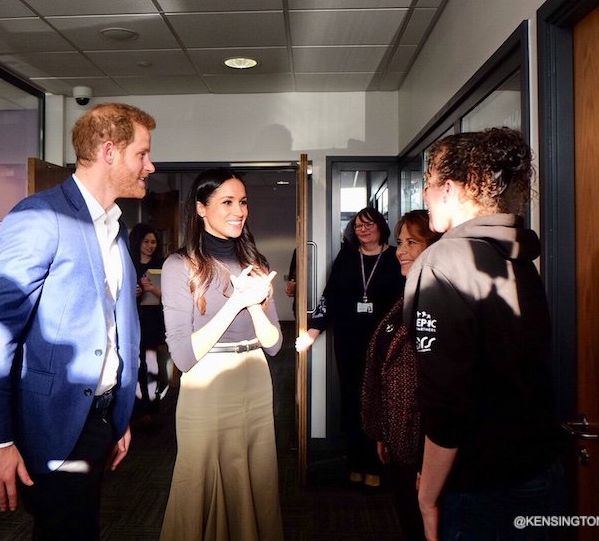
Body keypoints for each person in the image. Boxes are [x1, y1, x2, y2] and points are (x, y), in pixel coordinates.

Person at [0, 102, 156, 540]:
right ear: (110, 152)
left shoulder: (115, 227)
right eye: (141, 154)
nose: (150, 165)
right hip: (53, 424)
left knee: (77, 528)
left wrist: (118, 416)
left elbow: (111, 330)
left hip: (99, 418)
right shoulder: (40, 216)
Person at [405, 127, 563, 540]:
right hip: (539, 467)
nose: (423, 196)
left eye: (428, 184)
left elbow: (446, 401)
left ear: (452, 189)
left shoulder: (442, 261)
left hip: (480, 481)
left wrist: (428, 496)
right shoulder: (517, 256)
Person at [159, 168, 283, 541]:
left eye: (242, 202)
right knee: (200, 479)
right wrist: (237, 303)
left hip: (255, 380)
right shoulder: (179, 266)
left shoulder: (255, 263)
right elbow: (183, 356)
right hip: (206, 385)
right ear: (201, 208)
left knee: (256, 476)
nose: (238, 210)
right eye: (227, 202)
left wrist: (257, 305)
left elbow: (274, 344)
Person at [296, 207, 405, 489]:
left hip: (385, 343)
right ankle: (355, 461)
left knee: (379, 402)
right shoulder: (347, 257)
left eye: (369, 225)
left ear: (381, 227)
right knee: (352, 401)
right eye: (358, 226)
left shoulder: (395, 258)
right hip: (349, 342)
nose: (363, 230)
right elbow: (329, 297)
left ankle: (377, 466)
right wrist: (312, 331)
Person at [360, 210, 440, 540]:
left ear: (434, 248)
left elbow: (440, 390)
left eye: (411, 243)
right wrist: (383, 430)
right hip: (398, 437)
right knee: (406, 517)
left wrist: (427, 461)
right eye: (400, 242)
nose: (400, 251)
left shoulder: (437, 302)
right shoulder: (408, 296)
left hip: (423, 446)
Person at [128, 222, 169, 418]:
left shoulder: (162, 265)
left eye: (153, 242)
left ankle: (152, 404)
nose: (150, 246)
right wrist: (133, 291)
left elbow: (170, 297)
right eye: (146, 241)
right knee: (135, 362)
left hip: (153, 320)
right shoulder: (129, 265)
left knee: (152, 361)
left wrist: (151, 289)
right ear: (138, 242)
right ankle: (137, 405)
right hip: (133, 319)